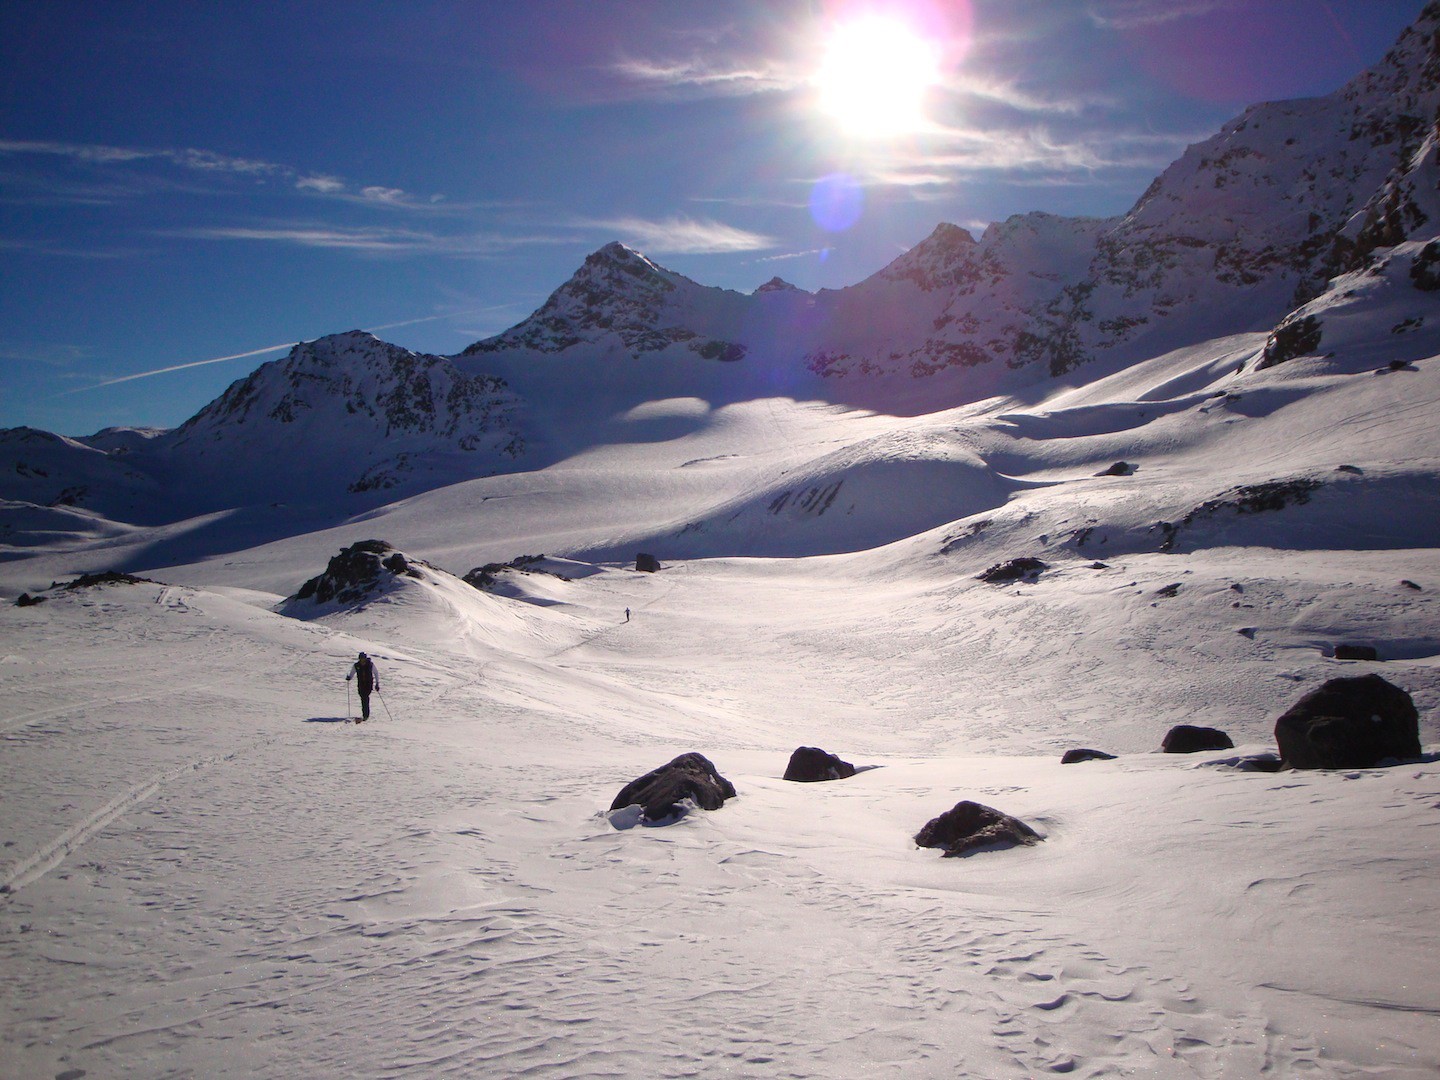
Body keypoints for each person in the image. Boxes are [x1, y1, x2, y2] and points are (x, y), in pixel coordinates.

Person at [346, 651, 379, 721]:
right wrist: (349, 677)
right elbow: (352, 673)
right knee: (363, 697)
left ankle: (365, 715)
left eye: (363, 659)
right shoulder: (356, 666)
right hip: (360, 684)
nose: (362, 661)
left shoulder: (370, 665)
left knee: (365, 697)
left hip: (368, 683)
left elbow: (376, 673)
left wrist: (377, 683)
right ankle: (365, 714)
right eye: (361, 659)